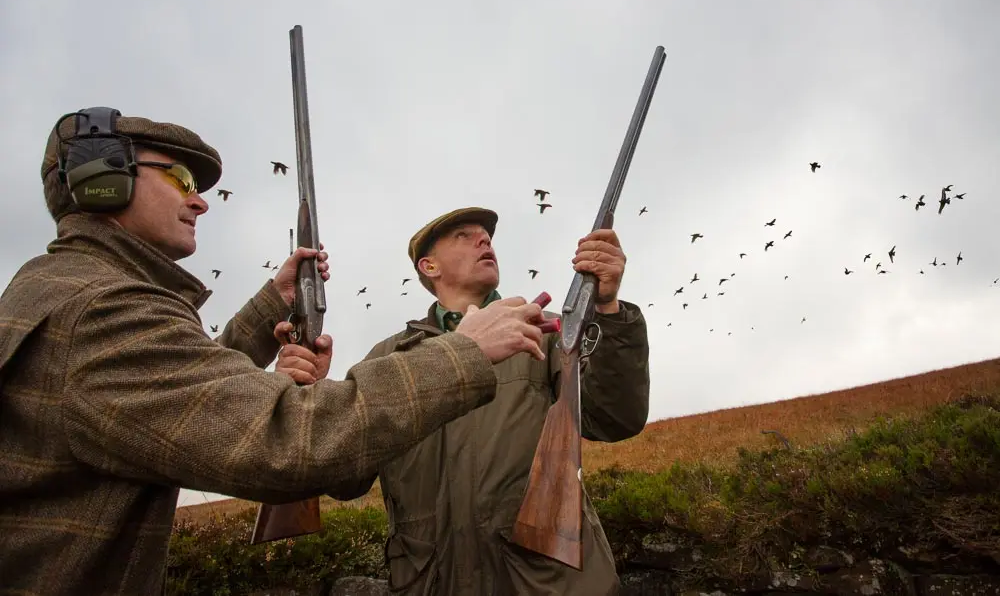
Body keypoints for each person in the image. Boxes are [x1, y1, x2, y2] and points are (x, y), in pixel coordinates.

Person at [0, 109, 550, 596]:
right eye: (180, 178)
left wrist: (272, 306)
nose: (199, 200)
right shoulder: (102, 312)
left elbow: (177, 395)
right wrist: (463, 352)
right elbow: (287, 440)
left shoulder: (70, 293)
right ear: (104, 179)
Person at [329, 206, 651, 595]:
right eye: (463, 236)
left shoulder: (548, 331)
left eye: (486, 235)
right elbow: (345, 480)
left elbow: (617, 418)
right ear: (429, 266)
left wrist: (607, 308)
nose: (484, 239)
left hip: (547, 585)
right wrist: (307, 391)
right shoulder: (387, 359)